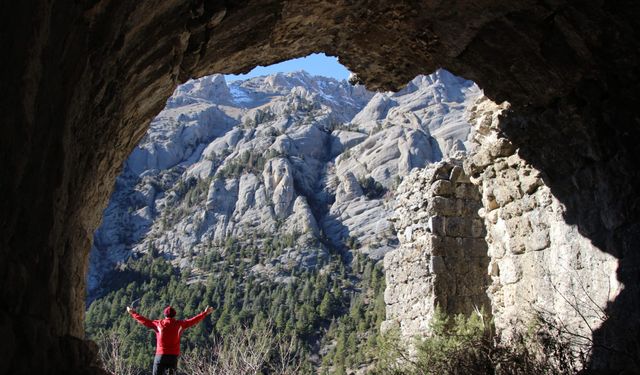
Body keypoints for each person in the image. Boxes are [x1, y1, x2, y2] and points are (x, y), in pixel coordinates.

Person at [126, 305, 214, 375]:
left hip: (160, 355)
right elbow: (193, 320)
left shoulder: (158, 324)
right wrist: (204, 313)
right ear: (174, 315)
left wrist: (132, 313)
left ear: (165, 315)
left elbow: (144, 321)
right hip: (173, 357)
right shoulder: (180, 324)